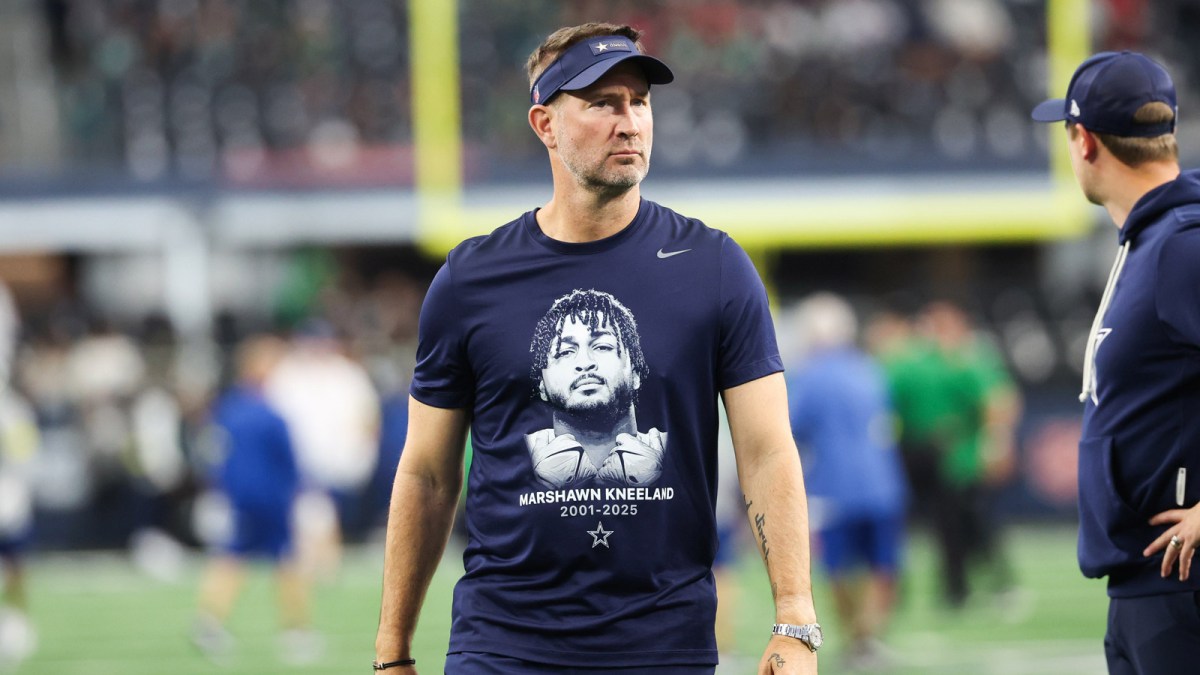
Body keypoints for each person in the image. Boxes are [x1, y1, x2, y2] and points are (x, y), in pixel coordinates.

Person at [374, 22, 820, 675]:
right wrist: (392, 653)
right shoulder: (470, 279)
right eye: (603, 103)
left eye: (639, 102)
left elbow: (767, 450)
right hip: (501, 646)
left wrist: (796, 621)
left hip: (664, 645)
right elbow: (428, 474)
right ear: (545, 124)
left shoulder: (714, 265)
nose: (629, 122)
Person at [1031, 50, 1200, 674]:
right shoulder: (1156, 238)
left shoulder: (1182, 244)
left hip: (1180, 589)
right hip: (1145, 586)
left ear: (1084, 141)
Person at [785, 293, 906, 671]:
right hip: (883, 481)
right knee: (883, 565)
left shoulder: (809, 376)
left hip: (832, 487)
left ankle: (856, 636)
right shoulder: (870, 368)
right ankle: (868, 637)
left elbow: (791, 429)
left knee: (836, 568)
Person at [883, 299, 1020, 610]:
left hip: (960, 456)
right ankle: (951, 588)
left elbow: (998, 400)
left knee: (972, 524)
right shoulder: (915, 361)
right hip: (925, 452)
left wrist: (995, 444)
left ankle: (988, 582)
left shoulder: (966, 359)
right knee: (944, 525)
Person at [192, 335, 318, 665]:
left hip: (238, 500)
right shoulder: (270, 415)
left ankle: (209, 623)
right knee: (286, 563)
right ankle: (297, 632)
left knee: (232, 559)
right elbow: (289, 464)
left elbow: (212, 456)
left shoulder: (226, 410)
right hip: (270, 500)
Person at [525, 289, 665, 488]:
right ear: (541, 385)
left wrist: (658, 478)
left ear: (635, 372)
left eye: (602, 346)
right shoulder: (515, 451)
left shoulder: (675, 448)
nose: (585, 362)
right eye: (565, 352)